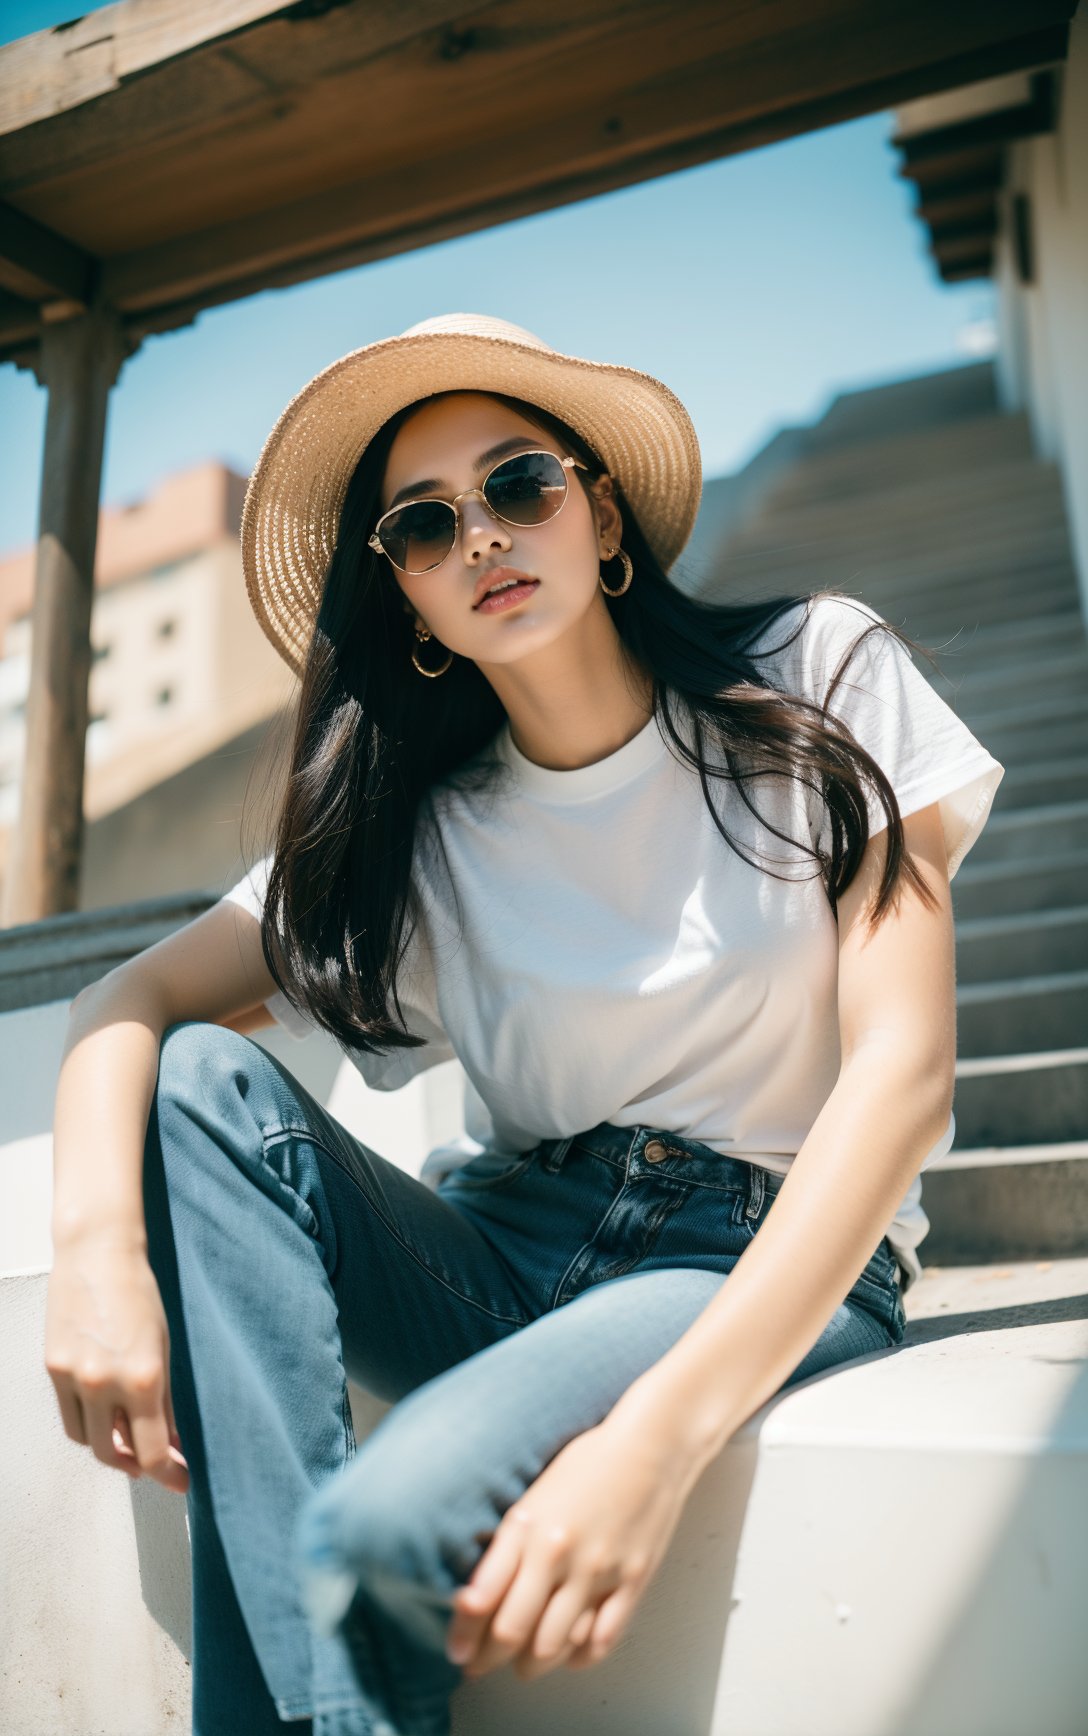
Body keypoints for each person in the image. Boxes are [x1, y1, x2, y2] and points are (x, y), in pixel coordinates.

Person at [45, 312, 1005, 1736]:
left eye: (518, 486)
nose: (481, 538)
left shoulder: (813, 673)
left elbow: (905, 1081)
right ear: (410, 603)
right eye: (425, 527)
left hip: (756, 1244)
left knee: (386, 1530)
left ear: (600, 512)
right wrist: (96, 1262)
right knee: (198, 1080)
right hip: (498, 1252)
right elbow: (128, 1003)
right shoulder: (417, 839)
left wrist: (657, 1444)